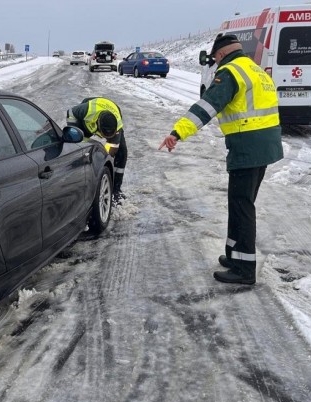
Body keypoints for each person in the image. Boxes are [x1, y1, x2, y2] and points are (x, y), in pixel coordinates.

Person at [158, 34, 283, 285]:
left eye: (215, 59)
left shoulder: (230, 72)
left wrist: (177, 132)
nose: (215, 64)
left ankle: (244, 269)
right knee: (240, 202)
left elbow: (207, 106)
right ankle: (234, 255)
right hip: (265, 145)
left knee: (241, 205)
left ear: (222, 54)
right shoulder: (255, 70)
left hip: (247, 146)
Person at [66, 97, 127, 201]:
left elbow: (110, 153)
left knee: (122, 153)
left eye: (109, 136)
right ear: (99, 125)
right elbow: (70, 112)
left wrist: (105, 170)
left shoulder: (117, 126)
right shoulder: (86, 110)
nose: (106, 137)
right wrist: (76, 131)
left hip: (112, 109)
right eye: (105, 135)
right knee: (79, 148)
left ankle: (116, 190)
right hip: (86, 122)